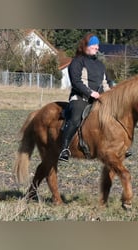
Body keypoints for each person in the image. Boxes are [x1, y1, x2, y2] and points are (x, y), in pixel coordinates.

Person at [58, 33, 112, 162]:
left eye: (97, 45)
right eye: (93, 45)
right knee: (76, 118)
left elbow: (106, 83)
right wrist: (90, 93)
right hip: (79, 98)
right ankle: (64, 149)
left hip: (98, 100)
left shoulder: (100, 65)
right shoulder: (77, 62)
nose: (96, 47)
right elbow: (76, 82)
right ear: (86, 45)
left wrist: (110, 97)